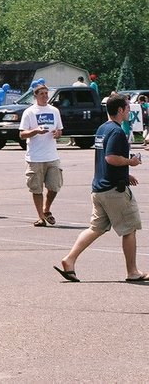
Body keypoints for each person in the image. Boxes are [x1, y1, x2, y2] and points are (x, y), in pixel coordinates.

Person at [56, 94, 147, 282]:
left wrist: (125, 174)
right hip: (114, 191)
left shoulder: (102, 129)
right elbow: (110, 158)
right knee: (129, 229)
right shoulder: (116, 131)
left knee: (95, 228)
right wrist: (131, 162)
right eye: (127, 108)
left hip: (99, 189)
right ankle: (132, 272)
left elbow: (106, 160)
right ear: (120, 110)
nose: (129, 111)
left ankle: (69, 259)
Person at [19, 83, 63, 226]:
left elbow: (60, 130)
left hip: (52, 156)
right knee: (36, 188)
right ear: (35, 96)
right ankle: (41, 217)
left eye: (46, 93)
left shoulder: (54, 111)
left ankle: (46, 209)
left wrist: (57, 133)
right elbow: (22, 134)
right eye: (42, 94)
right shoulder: (29, 112)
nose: (45, 96)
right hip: (35, 157)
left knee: (55, 186)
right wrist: (36, 131)